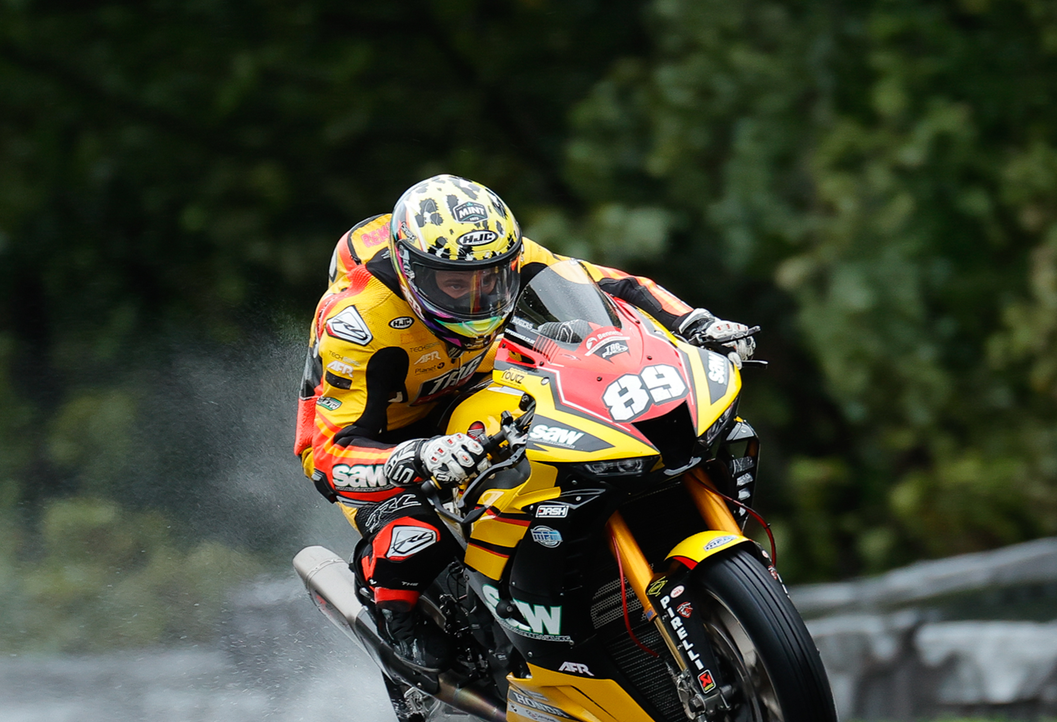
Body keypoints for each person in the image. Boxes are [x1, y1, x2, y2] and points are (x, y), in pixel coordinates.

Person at [293, 174, 755, 672]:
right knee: (415, 536)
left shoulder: (496, 250)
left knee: (558, 448)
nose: (478, 300)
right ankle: (395, 615)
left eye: (491, 280)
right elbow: (330, 455)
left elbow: (609, 284)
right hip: (375, 439)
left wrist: (697, 323)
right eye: (455, 285)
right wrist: (418, 455)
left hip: (475, 390)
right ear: (412, 274)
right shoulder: (359, 325)